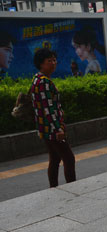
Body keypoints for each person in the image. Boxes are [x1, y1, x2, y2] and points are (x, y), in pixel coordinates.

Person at [30, 48, 76, 188]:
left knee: (55, 158)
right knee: (69, 158)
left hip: (44, 128)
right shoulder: (43, 82)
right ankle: (72, 187)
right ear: (41, 64)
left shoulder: (37, 79)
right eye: (49, 61)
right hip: (52, 129)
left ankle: (54, 187)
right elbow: (48, 109)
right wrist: (57, 129)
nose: (53, 63)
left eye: (54, 60)